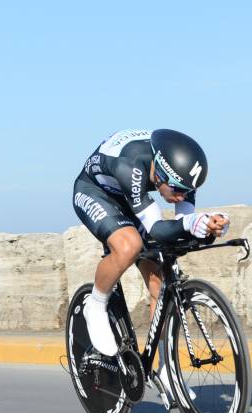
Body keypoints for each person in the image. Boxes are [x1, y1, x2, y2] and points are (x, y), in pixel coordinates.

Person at [72, 129, 230, 360]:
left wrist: (208, 226)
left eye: (188, 192)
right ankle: (95, 306)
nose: (181, 198)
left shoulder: (181, 177)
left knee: (161, 280)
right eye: (176, 190)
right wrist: (190, 223)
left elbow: (180, 225)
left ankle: (167, 368)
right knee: (129, 246)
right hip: (95, 193)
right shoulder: (132, 165)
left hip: (132, 199)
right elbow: (157, 229)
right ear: (159, 175)